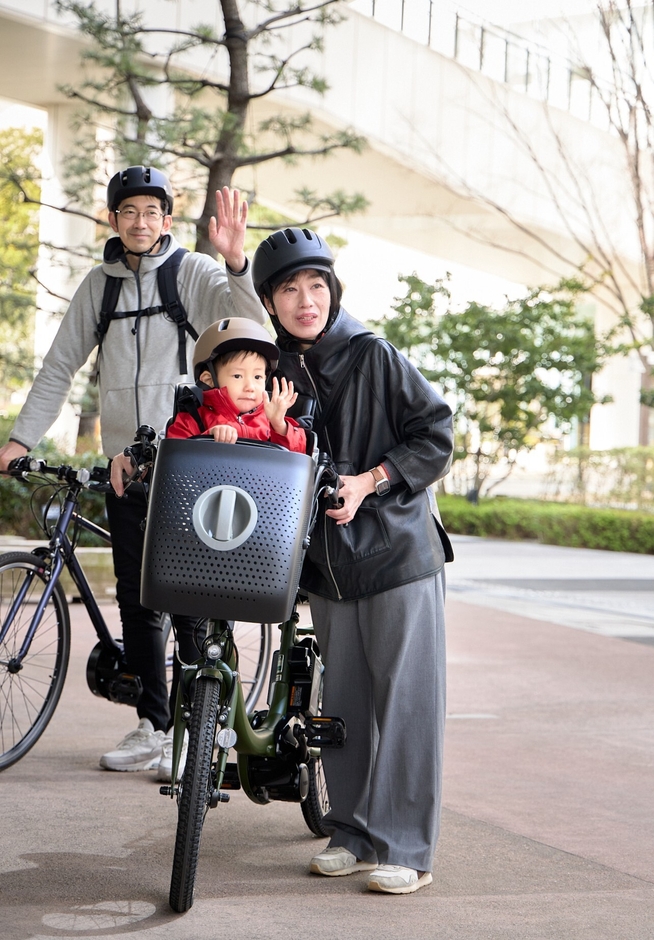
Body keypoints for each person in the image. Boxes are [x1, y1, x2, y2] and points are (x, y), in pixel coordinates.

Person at [0, 166, 265, 780]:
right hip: (127, 465)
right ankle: (155, 722)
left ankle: (199, 728)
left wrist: (236, 264)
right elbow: (60, 366)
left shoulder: (193, 271)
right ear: (113, 220)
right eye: (128, 212)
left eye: (152, 211)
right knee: (137, 598)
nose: (140, 222)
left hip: (193, 458)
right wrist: (19, 440)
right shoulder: (100, 285)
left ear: (167, 220)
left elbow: (249, 332)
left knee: (190, 595)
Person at [251, 227, 454, 896]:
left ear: (333, 292)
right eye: (289, 289)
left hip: (398, 554)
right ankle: (354, 833)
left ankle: (407, 847)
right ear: (272, 303)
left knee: (406, 703)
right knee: (341, 704)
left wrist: (373, 480)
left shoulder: (375, 355)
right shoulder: (275, 370)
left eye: (316, 286)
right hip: (329, 564)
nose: (305, 300)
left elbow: (436, 432)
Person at [164, 317, 306, 451]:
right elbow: (174, 458)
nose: (250, 387)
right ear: (209, 379)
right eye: (237, 376)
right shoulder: (192, 419)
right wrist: (208, 438)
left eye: (257, 377)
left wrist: (279, 426)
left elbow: (299, 461)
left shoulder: (271, 418)